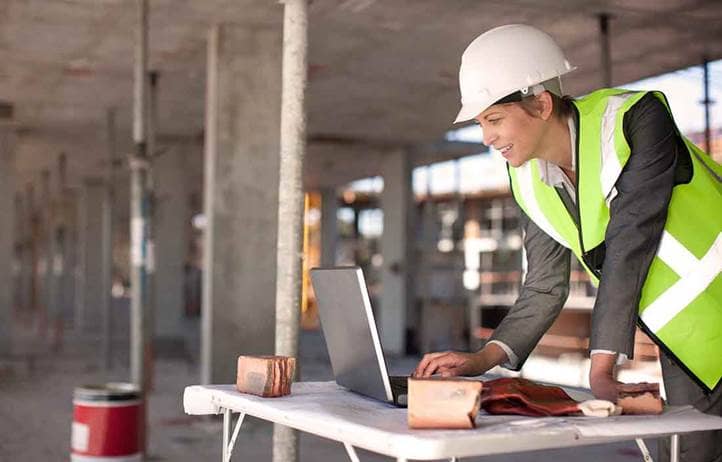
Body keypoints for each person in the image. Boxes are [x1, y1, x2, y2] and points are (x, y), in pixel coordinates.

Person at [413, 24, 722, 462]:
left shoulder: (635, 120)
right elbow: (544, 285)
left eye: (495, 120)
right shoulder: (527, 179)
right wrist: (482, 359)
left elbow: (630, 238)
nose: (487, 138)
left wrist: (601, 365)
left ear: (540, 104)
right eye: (482, 124)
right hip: (691, 342)